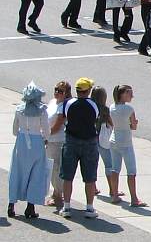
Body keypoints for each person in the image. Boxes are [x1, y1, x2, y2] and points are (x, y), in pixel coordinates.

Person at [53, 77, 100, 218]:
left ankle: (66, 207)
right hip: (89, 142)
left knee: (67, 176)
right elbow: (95, 119)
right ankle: (89, 208)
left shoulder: (68, 103)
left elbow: (64, 117)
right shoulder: (94, 104)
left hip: (71, 140)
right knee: (90, 177)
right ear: (88, 90)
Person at [8, 82, 49, 219]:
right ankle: (30, 207)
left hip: (21, 142)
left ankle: (11, 204)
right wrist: (44, 138)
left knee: (16, 172)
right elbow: (47, 131)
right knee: (36, 173)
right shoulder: (42, 110)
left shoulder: (19, 109)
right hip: (37, 142)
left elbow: (14, 130)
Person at [109, 85, 146, 207]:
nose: (132, 96)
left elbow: (114, 123)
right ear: (123, 94)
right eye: (129, 93)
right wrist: (133, 124)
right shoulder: (129, 109)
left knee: (115, 169)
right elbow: (133, 126)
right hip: (126, 142)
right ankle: (134, 199)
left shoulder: (112, 107)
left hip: (114, 140)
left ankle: (114, 195)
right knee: (131, 171)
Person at [91, 86, 119, 201]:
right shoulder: (105, 109)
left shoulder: (90, 108)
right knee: (109, 165)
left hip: (91, 139)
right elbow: (111, 123)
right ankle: (112, 190)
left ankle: (93, 187)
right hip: (103, 139)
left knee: (92, 165)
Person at [46, 81, 71, 207]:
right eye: (56, 89)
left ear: (66, 94)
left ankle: (58, 194)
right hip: (49, 140)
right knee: (51, 168)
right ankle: (55, 193)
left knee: (57, 168)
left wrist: (45, 136)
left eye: (60, 91)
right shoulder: (52, 102)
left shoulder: (64, 106)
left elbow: (57, 126)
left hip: (58, 140)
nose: (57, 92)